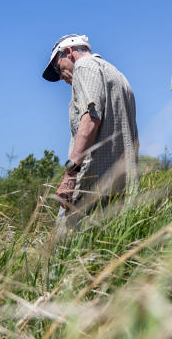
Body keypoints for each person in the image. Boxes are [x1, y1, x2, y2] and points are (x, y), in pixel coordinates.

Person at [42, 34, 139, 226]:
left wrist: (70, 174)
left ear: (68, 52)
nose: (60, 76)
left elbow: (90, 118)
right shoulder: (117, 75)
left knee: (64, 248)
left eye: (57, 67)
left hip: (91, 187)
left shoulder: (84, 67)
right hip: (120, 187)